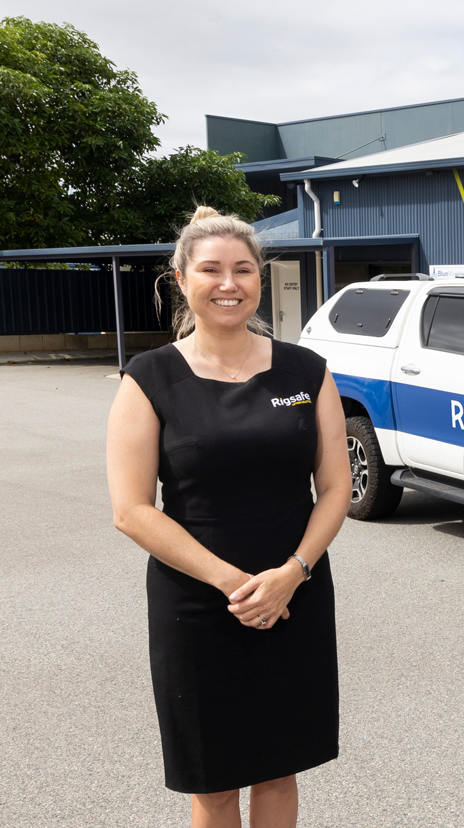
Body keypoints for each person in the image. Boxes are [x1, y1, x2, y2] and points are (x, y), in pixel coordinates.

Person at [107, 207, 348, 828]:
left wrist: (293, 572)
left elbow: (335, 488)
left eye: (243, 269)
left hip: (295, 594)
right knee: (212, 782)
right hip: (199, 603)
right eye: (211, 269)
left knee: (279, 767)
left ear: (260, 280)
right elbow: (132, 511)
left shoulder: (306, 371)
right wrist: (233, 583)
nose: (229, 283)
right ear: (181, 278)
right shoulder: (149, 377)